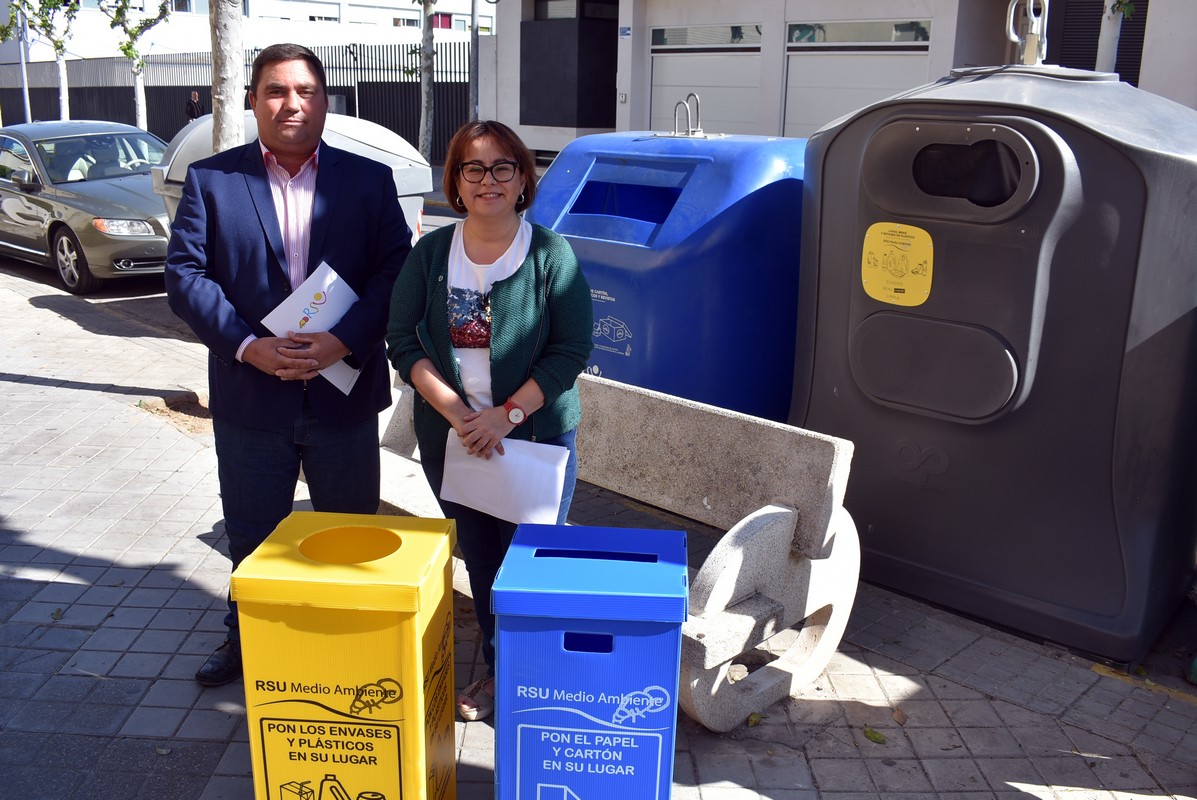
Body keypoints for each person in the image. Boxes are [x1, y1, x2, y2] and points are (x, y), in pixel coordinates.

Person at [165, 43, 411, 688]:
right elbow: (185, 276)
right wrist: (248, 345)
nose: (290, 104)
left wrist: (344, 341)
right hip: (252, 393)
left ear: (326, 100)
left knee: (351, 533)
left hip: (342, 393)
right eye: (275, 91)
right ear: (252, 100)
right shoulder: (214, 180)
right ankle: (248, 639)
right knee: (252, 532)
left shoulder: (368, 180)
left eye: (304, 91)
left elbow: (396, 271)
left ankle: (353, 642)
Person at [386, 120, 593, 721]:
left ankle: (534, 675)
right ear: (455, 181)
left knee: (530, 562)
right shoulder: (431, 254)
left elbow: (569, 352)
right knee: (480, 558)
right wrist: (458, 416)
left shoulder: (552, 255)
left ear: (523, 178)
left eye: (503, 167)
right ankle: (500, 674)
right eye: (472, 169)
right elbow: (402, 339)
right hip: (454, 440)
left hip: (532, 437)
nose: (488, 180)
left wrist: (505, 415)